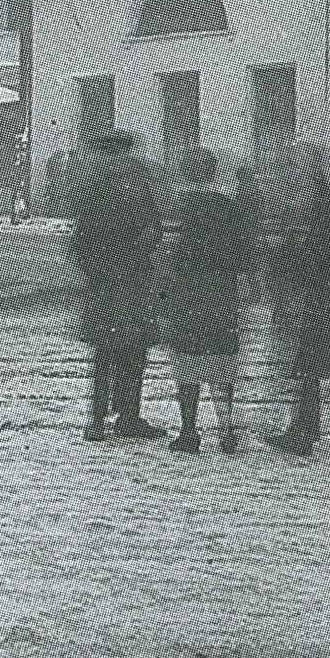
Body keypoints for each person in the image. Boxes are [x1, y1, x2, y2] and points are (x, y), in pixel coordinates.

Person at [69, 128, 168, 442]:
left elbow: (154, 225)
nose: (120, 161)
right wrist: (97, 273)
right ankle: (99, 419)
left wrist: (147, 241)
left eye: (122, 155)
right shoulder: (93, 189)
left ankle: (128, 416)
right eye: (114, 156)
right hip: (111, 281)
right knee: (107, 351)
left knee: (132, 349)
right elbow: (81, 240)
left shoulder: (137, 187)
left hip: (131, 278)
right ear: (106, 157)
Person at [158, 147, 247, 452]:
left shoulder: (180, 208)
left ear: (184, 174)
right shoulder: (228, 206)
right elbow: (241, 253)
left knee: (188, 363)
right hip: (221, 295)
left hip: (189, 296)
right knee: (221, 363)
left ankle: (189, 431)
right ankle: (226, 430)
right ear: (212, 173)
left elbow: (172, 255)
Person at [268, 150, 330, 456]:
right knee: (309, 363)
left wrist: (288, 250)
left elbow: (318, 254)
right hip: (325, 292)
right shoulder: (325, 202)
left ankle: (301, 431)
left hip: (318, 295)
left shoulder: (321, 205)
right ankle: (305, 426)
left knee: (307, 361)